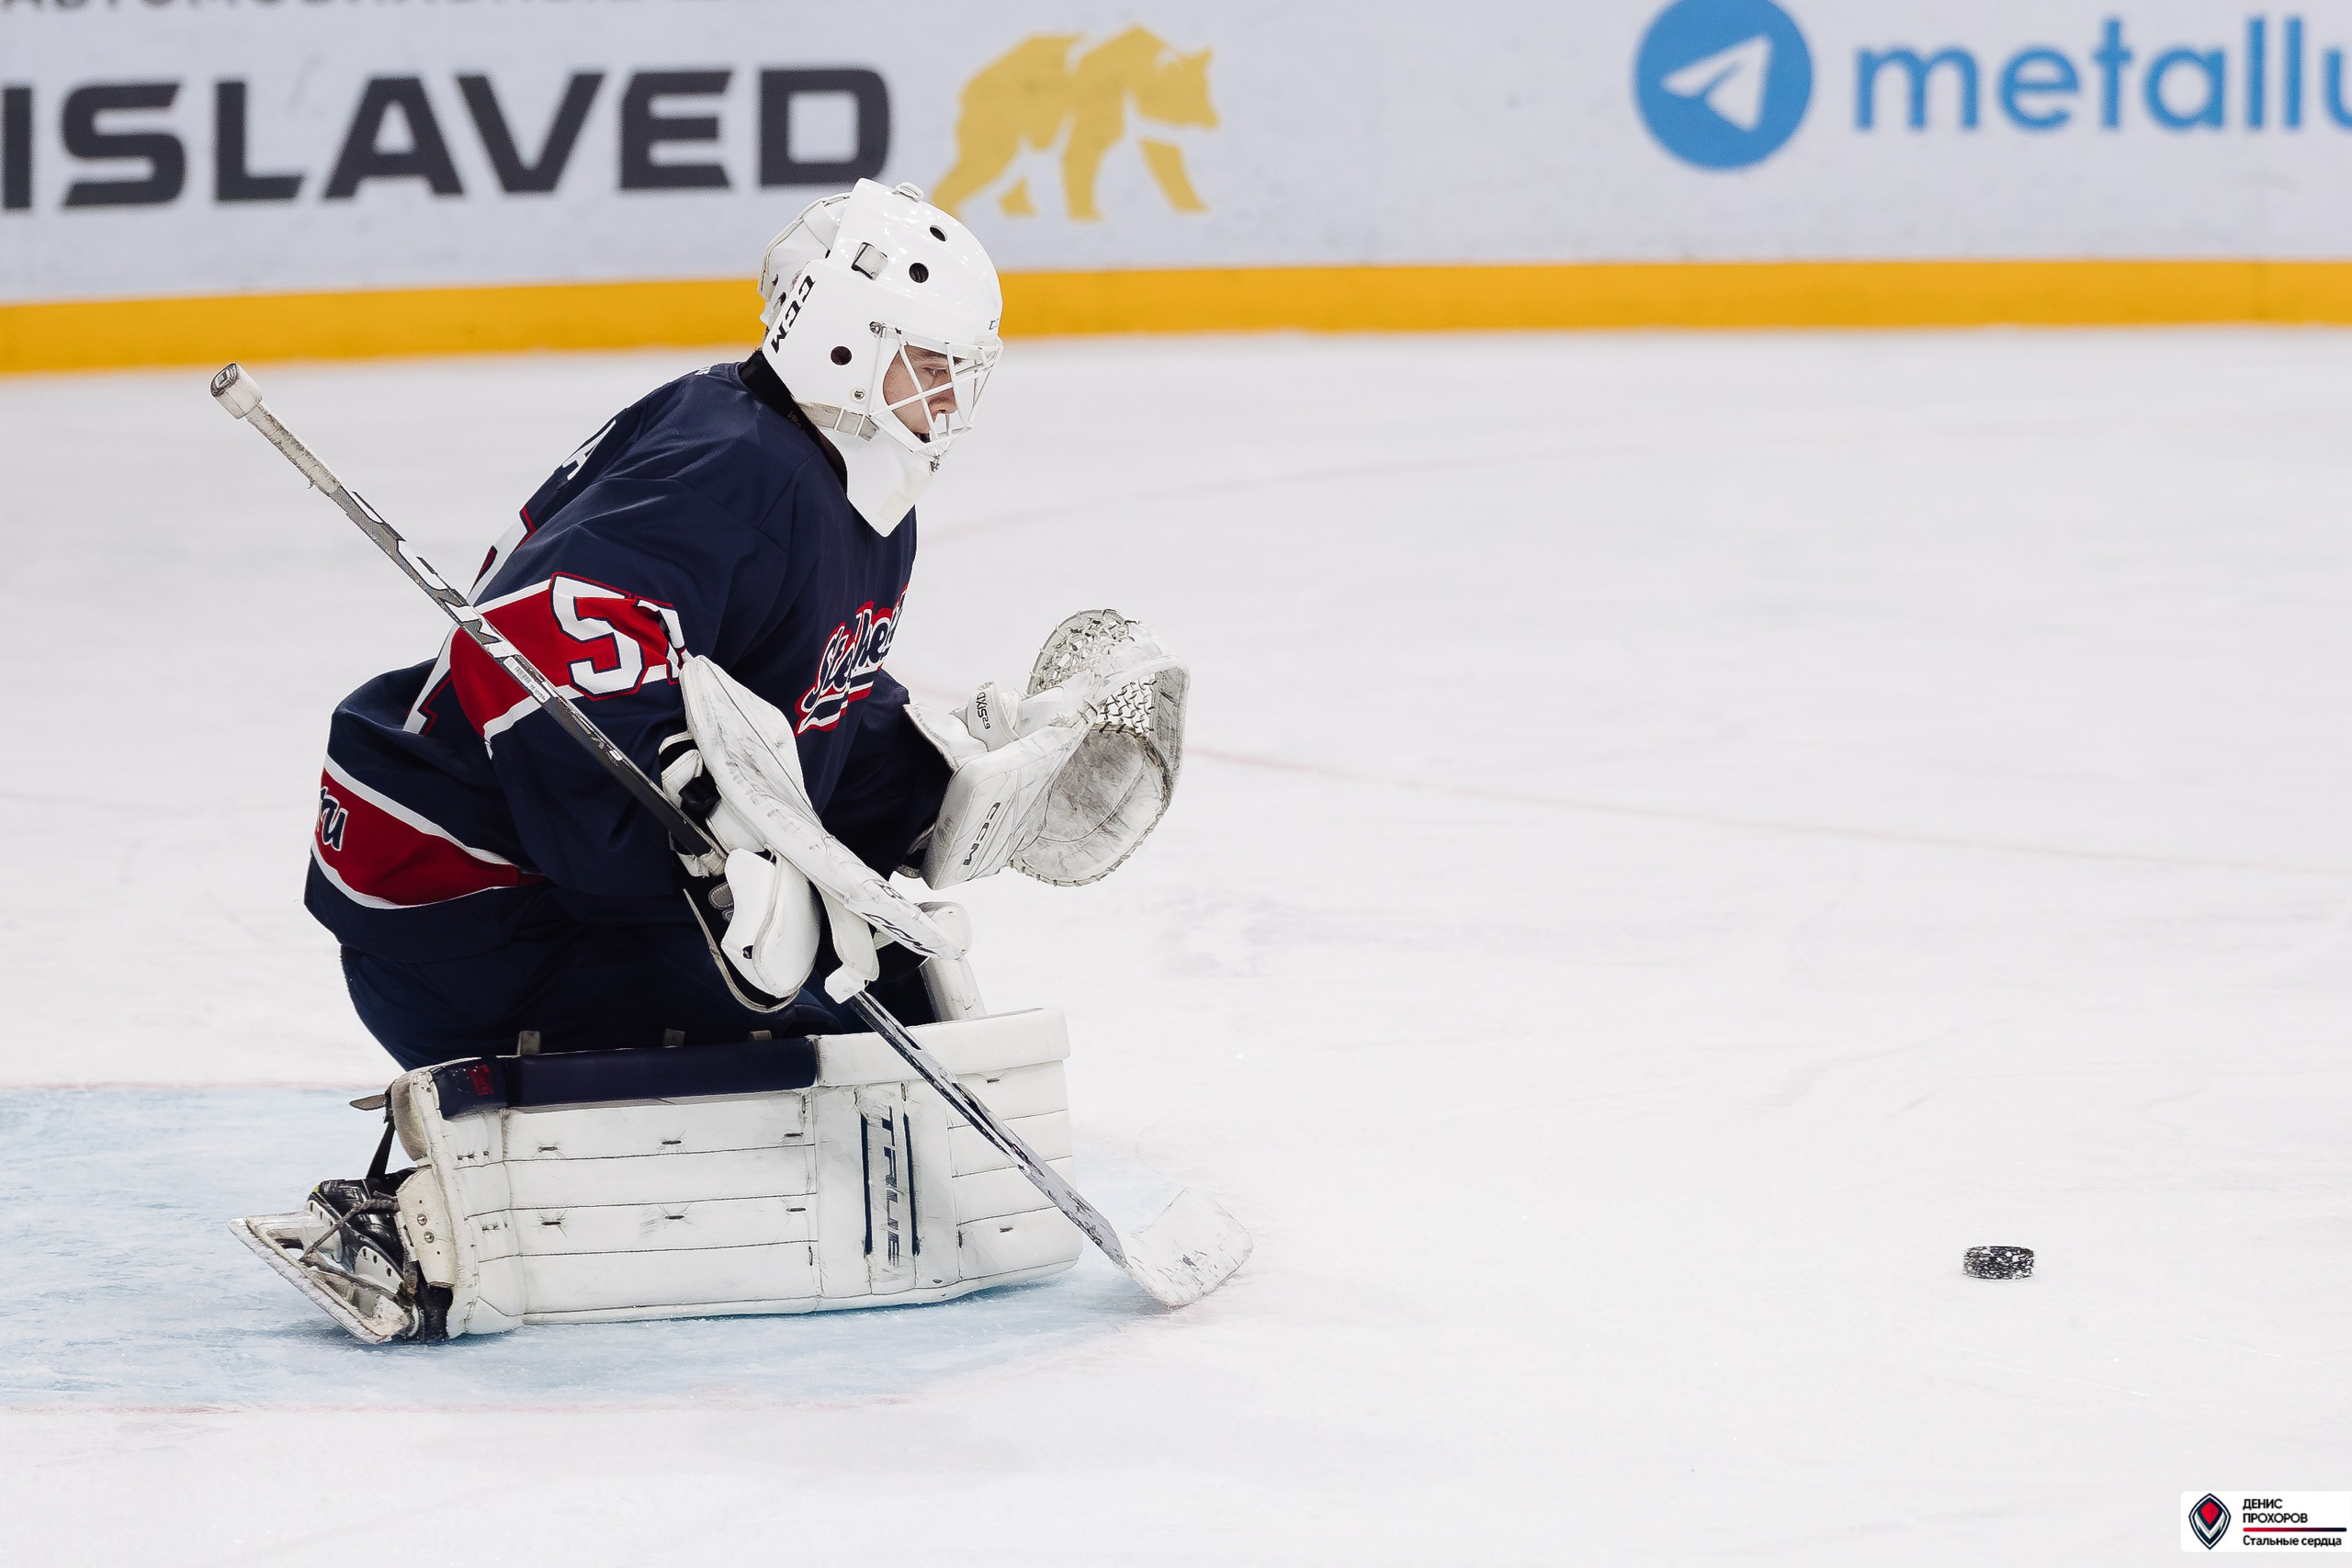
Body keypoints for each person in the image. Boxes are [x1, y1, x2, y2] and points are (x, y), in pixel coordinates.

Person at [310, 181, 1013, 1069]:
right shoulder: (734, 465)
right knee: (842, 1049)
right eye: (926, 364)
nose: (949, 400)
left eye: (961, 371)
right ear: (840, 342)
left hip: (540, 899)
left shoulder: (845, 489)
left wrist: (934, 788)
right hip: (471, 915)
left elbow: (794, 705)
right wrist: (712, 828)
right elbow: (534, 650)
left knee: (902, 980)